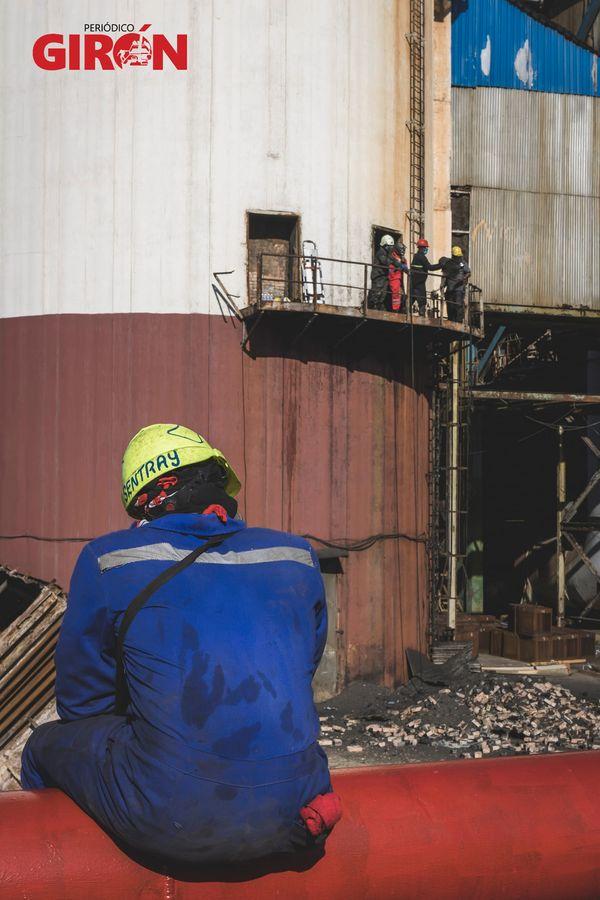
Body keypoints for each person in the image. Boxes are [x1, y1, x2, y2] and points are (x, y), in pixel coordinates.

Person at [21, 424, 341, 865]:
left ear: (150, 497)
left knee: (43, 745)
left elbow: (83, 704)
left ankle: (54, 864)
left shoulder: (109, 559)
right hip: (302, 806)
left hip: (172, 819)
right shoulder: (295, 555)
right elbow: (302, 668)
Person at [410, 238, 442, 317]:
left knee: (411, 299)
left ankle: (404, 313)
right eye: (425, 247)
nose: (426, 249)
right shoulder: (421, 257)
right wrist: (441, 265)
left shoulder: (416, 256)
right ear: (422, 248)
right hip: (419, 283)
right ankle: (422, 317)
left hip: (414, 282)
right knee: (422, 302)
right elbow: (430, 267)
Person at [441, 246, 471, 322]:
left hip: (459, 289)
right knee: (450, 306)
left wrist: (463, 278)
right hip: (450, 289)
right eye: (457, 256)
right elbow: (444, 275)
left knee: (458, 306)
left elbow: (468, 272)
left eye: (459, 256)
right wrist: (442, 285)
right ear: (453, 256)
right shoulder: (448, 264)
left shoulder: (462, 263)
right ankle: (451, 321)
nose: (458, 258)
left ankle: (459, 322)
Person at [368, 233, 394, 310]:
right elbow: (385, 262)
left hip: (384, 277)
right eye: (389, 246)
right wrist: (394, 262)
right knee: (376, 293)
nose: (391, 247)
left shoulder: (387, 253)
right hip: (378, 277)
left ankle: (378, 307)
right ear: (385, 245)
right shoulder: (381, 252)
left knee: (383, 294)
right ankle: (372, 307)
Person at [388, 237, 410, 312]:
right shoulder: (392, 256)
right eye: (402, 250)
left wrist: (406, 269)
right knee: (395, 293)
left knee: (402, 294)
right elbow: (397, 265)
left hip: (399, 278)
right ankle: (395, 309)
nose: (403, 252)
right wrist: (402, 265)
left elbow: (405, 267)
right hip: (393, 277)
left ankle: (400, 309)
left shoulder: (402, 258)